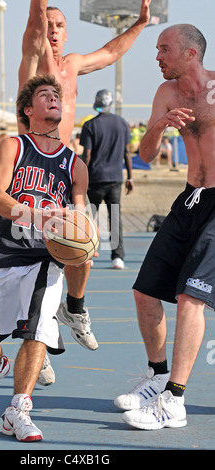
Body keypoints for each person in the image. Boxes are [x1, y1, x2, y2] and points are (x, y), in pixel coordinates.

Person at [17, 0, 151, 364]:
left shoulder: (72, 65)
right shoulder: (33, 59)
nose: (54, 30)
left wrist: (140, 24)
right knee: (32, 264)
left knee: (83, 246)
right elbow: (35, 24)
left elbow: (109, 52)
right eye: (49, 25)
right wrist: (39, 13)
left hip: (63, 165)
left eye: (60, 24)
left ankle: (73, 307)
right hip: (29, 165)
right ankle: (35, 345)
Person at [0, 74, 89, 442]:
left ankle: (18, 409)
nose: (53, 99)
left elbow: (80, 219)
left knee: (39, 328)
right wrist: (39, 215)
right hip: (1, 256)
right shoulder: (13, 146)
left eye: (56, 95)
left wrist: (84, 235)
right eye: (44, 95)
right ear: (28, 110)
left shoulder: (75, 166)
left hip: (44, 258)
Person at [114, 24, 215, 431]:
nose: (157, 56)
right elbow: (145, 156)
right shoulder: (166, 94)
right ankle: (158, 378)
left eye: (164, 49)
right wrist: (160, 124)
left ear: (191, 53)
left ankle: (175, 398)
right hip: (190, 198)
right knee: (144, 292)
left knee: (191, 297)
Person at [80, 89, 133, 269]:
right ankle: (117, 257)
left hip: (94, 178)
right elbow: (127, 153)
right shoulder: (122, 123)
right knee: (115, 218)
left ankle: (88, 253)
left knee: (88, 218)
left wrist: (79, 177)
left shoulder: (89, 125)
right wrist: (130, 178)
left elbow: (86, 155)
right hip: (115, 178)